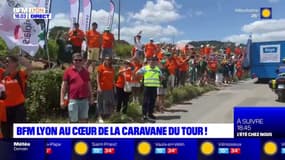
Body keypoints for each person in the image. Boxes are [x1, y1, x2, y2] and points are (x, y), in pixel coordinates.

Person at [0, 55, 31, 138]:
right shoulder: (1, 74)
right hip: (5, 110)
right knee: (6, 133)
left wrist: (21, 58)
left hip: (18, 109)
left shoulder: (20, 74)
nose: (6, 63)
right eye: (5, 61)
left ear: (14, 63)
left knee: (20, 133)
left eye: (8, 61)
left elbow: (29, 67)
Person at [60, 53, 93, 123]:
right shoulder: (68, 71)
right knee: (73, 121)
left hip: (84, 100)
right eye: (76, 60)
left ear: (83, 61)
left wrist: (91, 97)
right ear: (73, 61)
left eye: (80, 60)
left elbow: (89, 86)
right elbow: (63, 87)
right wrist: (62, 100)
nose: (78, 61)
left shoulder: (86, 72)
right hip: (73, 100)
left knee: (84, 120)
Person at [136, 57, 163, 123]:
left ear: (155, 62)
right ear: (148, 62)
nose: (152, 62)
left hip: (154, 87)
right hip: (147, 87)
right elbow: (137, 73)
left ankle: (150, 114)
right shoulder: (145, 68)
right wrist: (141, 79)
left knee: (152, 101)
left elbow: (161, 77)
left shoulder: (157, 69)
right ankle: (144, 115)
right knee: (145, 101)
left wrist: (160, 81)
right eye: (150, 60)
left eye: (153, 61)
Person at [97, 56, 115, 123]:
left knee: (108, 103)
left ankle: (107, 116)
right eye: (107, 59)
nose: (108, 61)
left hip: (110, 88)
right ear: (104, 60)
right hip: (102, 88)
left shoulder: (111, 68)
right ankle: (99, 116)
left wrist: (114, 87)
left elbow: (113, 79)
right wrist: (99, 87)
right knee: (100, 102)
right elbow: (98, 78)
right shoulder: (101, 67)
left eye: (109, 60)